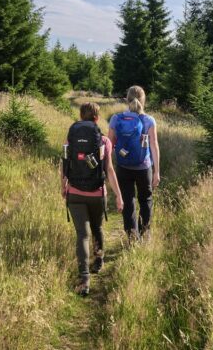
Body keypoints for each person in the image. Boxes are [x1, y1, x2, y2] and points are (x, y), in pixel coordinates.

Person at [62, 102, 123, 296]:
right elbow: (109, 170)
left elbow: (63, 163)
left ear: (80, 117)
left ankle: (84, 279)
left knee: (82, 234)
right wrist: (119, 196)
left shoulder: (70, 138)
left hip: (75, 193)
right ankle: (98, 259)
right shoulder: (104, 141)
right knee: (97, 228)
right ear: (97, 119)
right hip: (97, 194)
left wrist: (63, 185)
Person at [108, 85, 160, 242]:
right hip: (144, 167)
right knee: (146, 200)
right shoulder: (149, 120)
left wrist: (107, 167)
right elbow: (154, 145)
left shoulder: (116, 119)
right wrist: (157, 171)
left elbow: (109, 144)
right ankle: (145, 234)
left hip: (123, 166)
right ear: (144, 101)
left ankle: (132, 237)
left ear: (126, 99)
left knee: (128, 200)